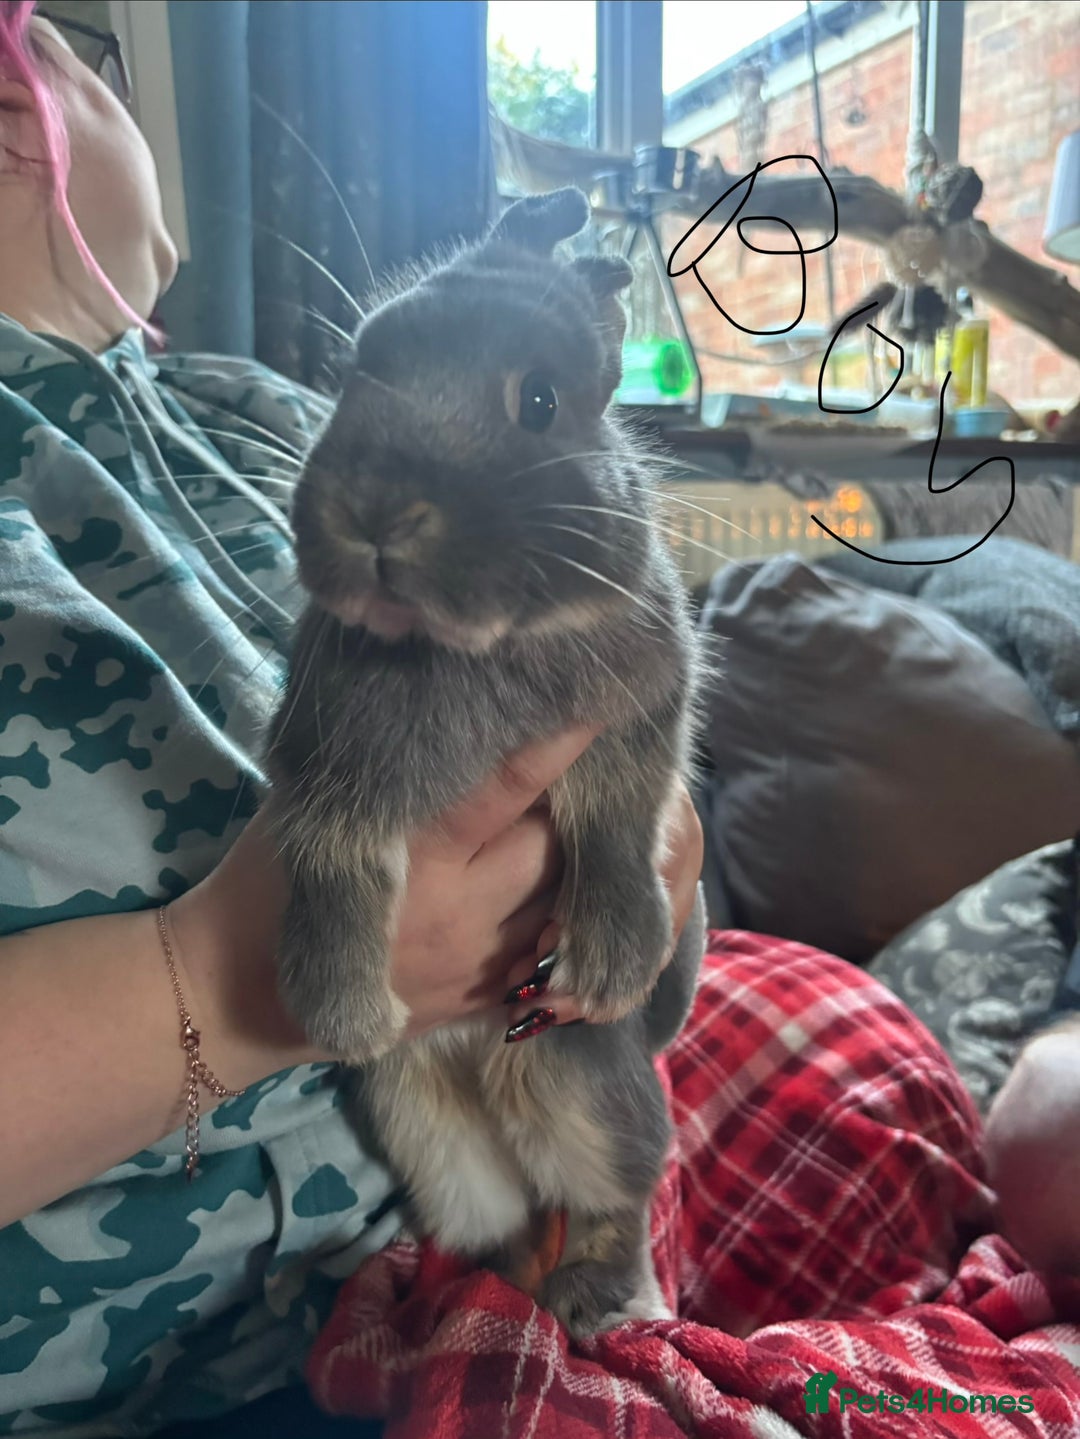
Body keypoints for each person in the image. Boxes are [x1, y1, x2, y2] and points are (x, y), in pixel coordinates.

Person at [0, 6, 704, 1433]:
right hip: (183, 1365)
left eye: (43, 32)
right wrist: (214, 980)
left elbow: (629, 700)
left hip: (532, 1139)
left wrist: (637, 852)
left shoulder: (236, 405)